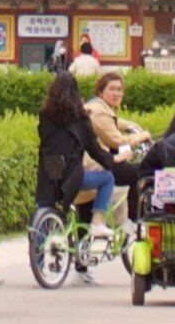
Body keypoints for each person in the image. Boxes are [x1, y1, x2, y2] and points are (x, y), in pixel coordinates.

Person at [36, 63, 120, 233]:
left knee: (44, 205)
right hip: (72, 175)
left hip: (48, 171)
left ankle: (38, 245)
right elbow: (93, 149)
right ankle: (97, 224)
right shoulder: (80, 117)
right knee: (107, 178)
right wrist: (112, 160)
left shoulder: (45, 115)